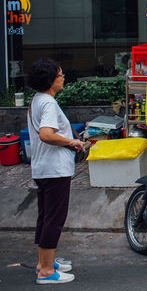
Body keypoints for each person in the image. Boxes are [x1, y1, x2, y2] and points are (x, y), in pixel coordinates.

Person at [27, 59, 85, 285]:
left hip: (43, 168)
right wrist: (72, 142)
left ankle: (44, 262)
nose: (63, 78)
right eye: (60, 75)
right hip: (54, 170)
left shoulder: (38, 100)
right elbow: (46, 134)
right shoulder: (49, 104)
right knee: (54, 218)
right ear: (51, 80)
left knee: (46, 216)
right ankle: (46, 272)